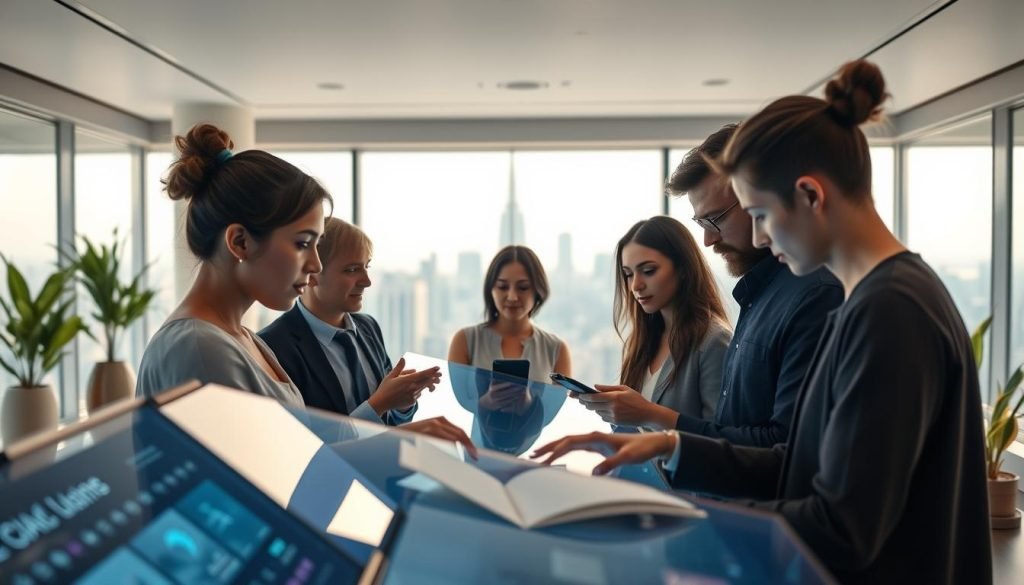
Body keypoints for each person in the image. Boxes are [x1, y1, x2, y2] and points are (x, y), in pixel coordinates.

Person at [533, 60, 991, 584]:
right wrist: (670, 444)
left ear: (810, 196)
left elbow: (843, 526)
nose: (759, 237)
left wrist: (681, 523)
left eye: (760, 215)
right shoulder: (879, 297)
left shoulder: (891, 311)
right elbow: (800, 462)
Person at [136, 123, 475, 454]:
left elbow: (301, 455)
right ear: (240, 242)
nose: (314, 266)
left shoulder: (242, 339)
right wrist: (394, 444)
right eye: (302, 243)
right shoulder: (198, 347)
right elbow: (269, 490)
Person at [663, 124, 843, 446]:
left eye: (715, 219)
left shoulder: (815, 296)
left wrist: (670, 440)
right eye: (701, 223)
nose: (707, 240)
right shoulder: (760, 295)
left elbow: (787, 448)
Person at [259, 218, 439, 425]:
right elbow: (302, 444)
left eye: (366, 267)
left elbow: (391, 422)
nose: (367, 281)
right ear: (311, 272)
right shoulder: (273, 346)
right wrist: (378, 404)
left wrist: (403, 402)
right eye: (352, 270)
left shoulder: (368, 327)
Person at [574, 216, 730, 430]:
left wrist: (648, 414)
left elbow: (720, 440)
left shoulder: (713, 342)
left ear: (683, 268)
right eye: (628, 274)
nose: (636, 285)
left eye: (648, 271)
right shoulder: (644, 340)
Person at [448, 245, 571, 382]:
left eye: (523, 287)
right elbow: (455, 402)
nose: (512, 297)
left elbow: (560, 403)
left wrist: (532, 402)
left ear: (538, 291)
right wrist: (485, 402)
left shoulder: (556, 349)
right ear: (491, 289)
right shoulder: (465, 341)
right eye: (502, 287)